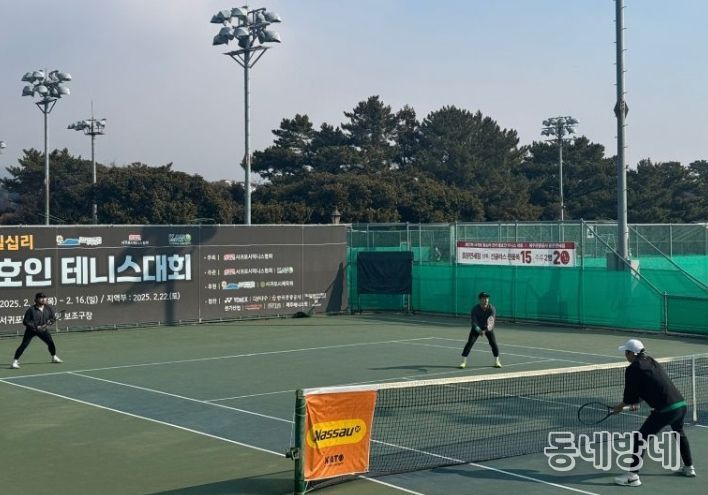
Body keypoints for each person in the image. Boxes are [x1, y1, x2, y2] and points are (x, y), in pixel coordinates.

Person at [612, 338, 695, 486]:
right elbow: (651, 385)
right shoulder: (651, 361)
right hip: (680, 405)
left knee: (640, 438)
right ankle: (689, 468)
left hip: (666, 410)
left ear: (632, 353)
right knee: (679, 432)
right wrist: (636, 401)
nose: (625, 355)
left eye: (626, 352)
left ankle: (632, 477)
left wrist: (620, 406)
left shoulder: (633, 369)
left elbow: (630, 395)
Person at [10, 292, 62, 369]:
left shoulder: (48, 308)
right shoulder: (31, 310)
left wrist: (50, 322)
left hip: (43, 330)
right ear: (36, 300)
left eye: (44, 298)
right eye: (41, 298)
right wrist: (35, 327)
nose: (43, 299)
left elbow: (52, 318)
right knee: (24, 345)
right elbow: (25, 321)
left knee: (51, 343)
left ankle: (54, 357)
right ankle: (14, 362)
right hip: (31, 331)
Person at [459, 291, 501, 369]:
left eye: (487, 298)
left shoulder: (492, 309)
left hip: (487, 327)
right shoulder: (475, 309)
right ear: (480, 299)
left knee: (493, 343)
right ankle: (463, 362)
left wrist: (485, 331)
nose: (486, 300)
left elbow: (491, 322)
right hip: (477, 327)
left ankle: (497, 361)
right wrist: (479, 330)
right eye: (484, 298)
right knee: (470, 343)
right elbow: (473, 322)